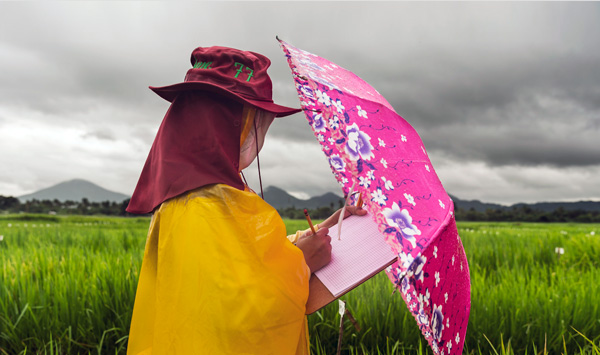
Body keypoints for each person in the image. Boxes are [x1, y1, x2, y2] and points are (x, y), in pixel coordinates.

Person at [125, 46, 365, 354]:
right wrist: (302, 262)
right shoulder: (197, 208)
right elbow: (242, 318)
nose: (259, 133)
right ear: (226, 123)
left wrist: (321, 230)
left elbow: (250, 262)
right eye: (256, 120)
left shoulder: (216, 194)